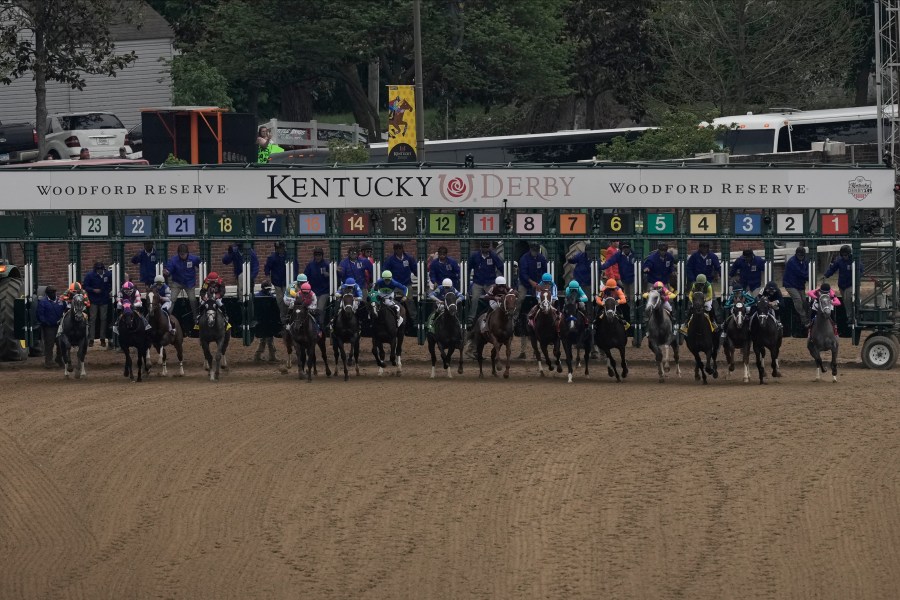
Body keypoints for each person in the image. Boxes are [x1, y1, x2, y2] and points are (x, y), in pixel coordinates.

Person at [517, 242, 548, 357]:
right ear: (530, 249)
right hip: (525, 283)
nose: (535, 251)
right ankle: (514, 315)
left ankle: (544, 312)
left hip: (537, 283)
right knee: (520, 298)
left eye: (536, 250)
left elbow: (545, 272)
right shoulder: (524, 259)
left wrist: (540, 284)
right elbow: (523, 274)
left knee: (541, 297)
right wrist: (531, 283)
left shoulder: (541, 258)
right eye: (533, 250)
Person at [467, 240, 504, 327]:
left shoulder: (493, 255)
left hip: (490, 282)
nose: (486, 249)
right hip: (478, 282)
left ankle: (497, 316)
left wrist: (502, 279)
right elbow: (468, 267)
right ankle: (471, 318)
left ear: (490, 247)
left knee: (495, 298)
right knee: (474, 298)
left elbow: (501, 267)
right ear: (481, 247)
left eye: (487, 247)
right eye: (484, 247)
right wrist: (467, 280)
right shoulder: (475, 256)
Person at [599, 241, 638, 322]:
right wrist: (602, 266)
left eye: (627, 248)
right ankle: (627, 315)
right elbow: (610, 261)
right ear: (622, 248)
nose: (625, 249)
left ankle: (633, 317)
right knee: (627, 298)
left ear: (630, 248)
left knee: (633, 298)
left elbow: (641, 264)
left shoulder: (635, 254)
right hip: (624, 279)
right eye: (624, 248)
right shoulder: (618, 255)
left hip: (633, 279)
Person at [823, 245, 860, 325]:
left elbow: (860, 270)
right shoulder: (839, 260)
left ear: (849, 254)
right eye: (843, 255)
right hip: (842, 285)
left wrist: (857, 279)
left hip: (851, 284)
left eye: (846, 255)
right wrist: (826, 275)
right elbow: (833, 269)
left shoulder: (855, 260)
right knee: (846, 301)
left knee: (847, 299)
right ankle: (851, 315)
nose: (844, 257)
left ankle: (851, 317)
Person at [383, 242, 417, 323]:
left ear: (402, 249)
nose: (398, 250)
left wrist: (421, 277)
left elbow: (415, 270)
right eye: (396, 248)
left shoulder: (409, 258)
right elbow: (385, 271)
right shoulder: (390, 259)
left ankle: (414, 321)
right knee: (389, 301)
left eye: (400, 248)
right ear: (394, 250)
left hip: (406, 284)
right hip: (394, 285)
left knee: (410, 302)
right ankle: (391, 318)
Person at [164, 243, 200, 317]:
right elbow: (169, 269)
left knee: (193, 301)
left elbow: (200, 264)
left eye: (184, 254)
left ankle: (196, 319)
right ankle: (167, 317)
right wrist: (167, 272)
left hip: (189, 283)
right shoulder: (173, 260)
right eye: (181, 254)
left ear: (187, 253)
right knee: (171, 299)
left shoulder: (193, 259)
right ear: (178, 253)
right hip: (177, 283)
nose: (183, 256)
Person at [83, 261, 112, 347]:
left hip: (104, 299)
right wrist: (93, 290)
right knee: (92, 319)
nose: (99, 270)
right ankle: (91, 338)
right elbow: (85, 286)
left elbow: (111, 283)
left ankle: (102, 338)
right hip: (93, 300)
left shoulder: (108, 274)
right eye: (98, 269)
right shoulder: (90, 275)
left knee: (103, 319)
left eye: (101, 269)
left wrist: (109, 291)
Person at [37, 285, 65, 368]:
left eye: (54, 292)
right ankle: (48, 361)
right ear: (47, 293)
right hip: (49, 327)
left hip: (59, 326)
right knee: (49, 344)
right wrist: (45, 322)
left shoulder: (60, 300)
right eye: (50, 292)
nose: (53, 293)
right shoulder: (43, 302)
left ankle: (59, 359)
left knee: (60, 343)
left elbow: (65, 309)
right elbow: (40, 314)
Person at [264, 241, 293, 320]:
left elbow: (295, 267)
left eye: (281, 248)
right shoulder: (272, 257)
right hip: (277, 282)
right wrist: (268, 278)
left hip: (287, 281)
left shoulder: (289, 256)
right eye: (278, 248)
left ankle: (288, 316)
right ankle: (283, 318)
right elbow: (267, 268)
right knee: (280, 300)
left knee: (288, 299)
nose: (280, 249)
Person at [783, 246, 810, 328]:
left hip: (800, 285)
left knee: (804, 301)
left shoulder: (805, 261)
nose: (801, 257)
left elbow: (806, 271)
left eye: (802, 256)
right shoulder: (792, 262)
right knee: (798, 300)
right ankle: (804, 319)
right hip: (790, 284)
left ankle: (807, 317)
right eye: (799, 256)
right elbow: (801, 273)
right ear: (796, 254)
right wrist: (809, 277)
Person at [303, 247, 330, 326]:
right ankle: (312, 325)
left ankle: (320, 325)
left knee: (320, 309)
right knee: (312, 309)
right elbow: (305, 276)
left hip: (324, 291)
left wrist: (328, 275)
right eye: (316, 255)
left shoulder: (327, 264)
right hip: (313, 291)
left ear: (322, 256)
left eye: (319, 255)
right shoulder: (310, 265)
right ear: (314, 256)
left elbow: (334, 276)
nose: (318, 257)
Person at [253, 280, 278, 362]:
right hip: (262, 322)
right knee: (266, 340)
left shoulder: (270, 296)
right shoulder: (258, 297)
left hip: (268, 321)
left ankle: (260, 355)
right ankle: (269, 356)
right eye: (266, 289)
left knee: (267, 339)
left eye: (269, 289)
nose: (268, 291)